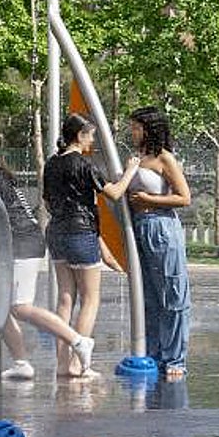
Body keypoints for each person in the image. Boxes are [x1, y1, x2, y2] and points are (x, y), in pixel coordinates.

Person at [0, 132, 95, 381]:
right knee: (0, 305)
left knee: (19, 307)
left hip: (23, 244)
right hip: (15, 245)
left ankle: (78, 341)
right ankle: (21, 362)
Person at [43, 114, 140, 378]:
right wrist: (130, 169)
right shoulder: (85, 165)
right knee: (90, 299)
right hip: (81, 232)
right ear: (80, 135)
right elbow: (115, 193)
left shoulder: (51, 164)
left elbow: (47, 201)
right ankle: (78, 364)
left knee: (65, 300)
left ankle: (62, 365)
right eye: (91, 135)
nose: (93, 140)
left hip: (56, 231)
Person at [126, 106, 193, 381]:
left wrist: (149, 201)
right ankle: (155, 352)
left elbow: (184, 197)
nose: (132, 132)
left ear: (148, 129)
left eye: (135, 127)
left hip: (162, 228)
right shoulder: (137, 158)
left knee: (172, 294)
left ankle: (176, 357)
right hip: (140, 228)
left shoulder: (165, 158)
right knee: (149, 296)